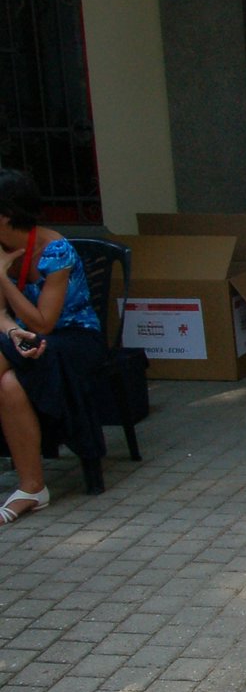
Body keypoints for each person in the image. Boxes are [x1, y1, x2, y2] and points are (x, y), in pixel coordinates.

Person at [0, 169, 106, 524]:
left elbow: (44, 322)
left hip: (74, 337)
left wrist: (2, 277)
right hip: (24, 335)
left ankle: (31, 488)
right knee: (9, 384)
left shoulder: (55, 250)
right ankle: (33, 488)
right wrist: (13, 332)